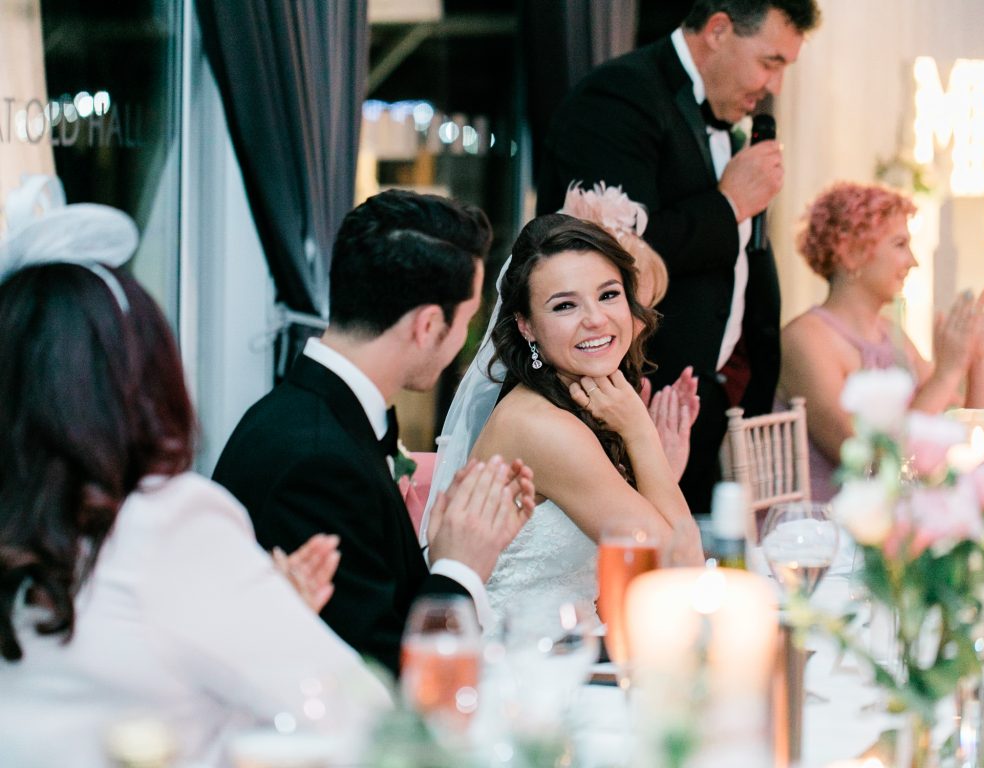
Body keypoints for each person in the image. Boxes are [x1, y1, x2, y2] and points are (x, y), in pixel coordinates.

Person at [0, 177, 391, 768]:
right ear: (143, 378)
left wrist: (256, 616)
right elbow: (363, 716)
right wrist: (268, 622)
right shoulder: (168, 526)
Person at [213, 190, 535, 678]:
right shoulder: (317, 463)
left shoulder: (312, 415)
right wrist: (461, 568)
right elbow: (383, 679)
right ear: (428, 325)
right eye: (467, 319)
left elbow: (372, 595)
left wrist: (440, 549)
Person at [535, 0, 822, 516]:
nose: (775, 86)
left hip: (705, 403)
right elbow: (614, 260)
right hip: (630, 405)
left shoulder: (728, 123)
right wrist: (730, 204)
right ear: (718, 30)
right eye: (770, 62)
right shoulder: (618, 97)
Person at [435, 212, 703, 627]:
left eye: (609, 295)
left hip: (573, 643)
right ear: (526, 326)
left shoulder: (569, 402)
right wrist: (640, 431)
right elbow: (682, 571)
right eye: (565, 305)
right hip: (524, 656)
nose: (595, 318)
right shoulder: (542, 428)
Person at [779, 181, 984, 501]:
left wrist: (977, 356)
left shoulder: (892, 335)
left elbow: (966, 438)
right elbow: (871, 464)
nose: (913, 261)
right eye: (899, 244)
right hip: (827, 524)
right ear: (850, 253)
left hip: (901, 517)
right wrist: (946, 373)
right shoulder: (804, 340)